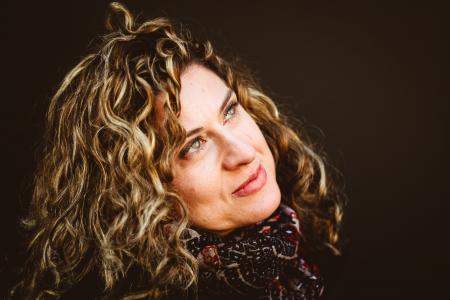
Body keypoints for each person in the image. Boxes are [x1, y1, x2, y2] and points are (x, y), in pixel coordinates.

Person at [11, 2, 345, 299]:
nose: (242, 152)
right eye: (193, 145)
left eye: (229, 111)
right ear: (136, 190)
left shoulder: (301, 258)